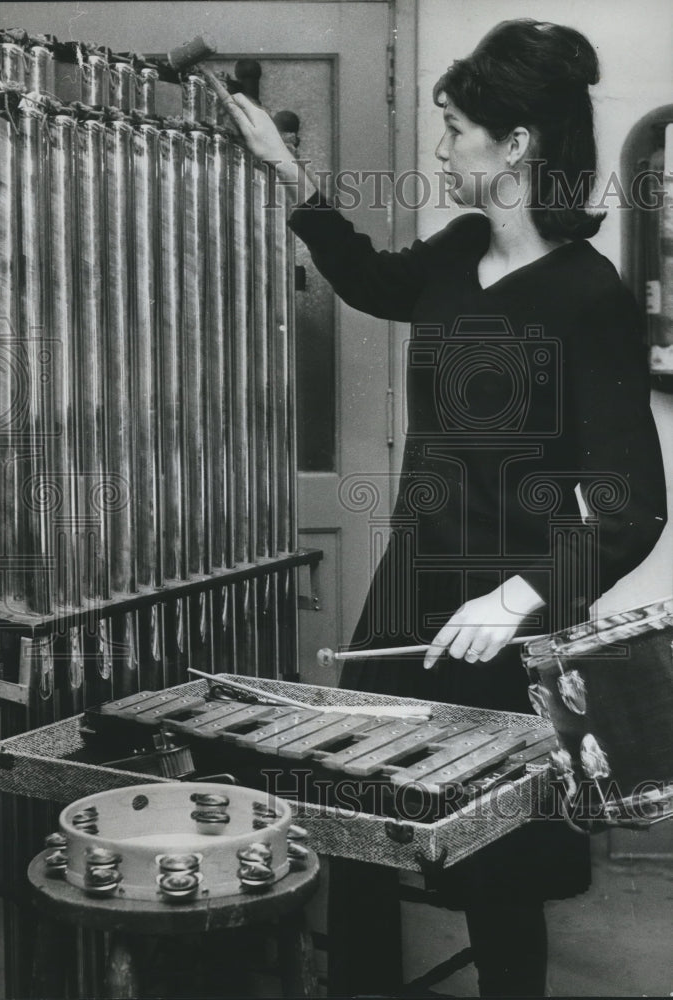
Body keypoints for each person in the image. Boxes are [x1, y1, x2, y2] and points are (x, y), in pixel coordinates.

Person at [224, 18, 668, 998]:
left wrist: (518, 599)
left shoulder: (588, 298)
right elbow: (375, 279)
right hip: (408, 593)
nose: (438, 146)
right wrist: (286, 172)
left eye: (456, 126)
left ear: (516, 145)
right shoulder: (461, 246)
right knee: (358, 824)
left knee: (495, 865)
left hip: (508, 619)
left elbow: (636, 507)